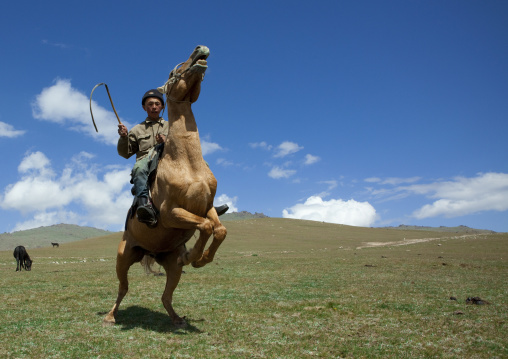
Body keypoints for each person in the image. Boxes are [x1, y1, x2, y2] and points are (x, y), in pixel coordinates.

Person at [117, 89, 228, 226]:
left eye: (157, 104)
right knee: (138, 168)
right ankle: (144, 204)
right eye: (150, 104)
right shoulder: (136, 130)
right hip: (147, 159)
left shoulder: (172, 126)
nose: (154, 106)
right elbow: (124, 153)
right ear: (144, 107)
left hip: (171, 158)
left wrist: (167, 141)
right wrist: (123, 137)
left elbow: (184, 145)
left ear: (162, 107)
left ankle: (208, 204)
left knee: (203, 165)